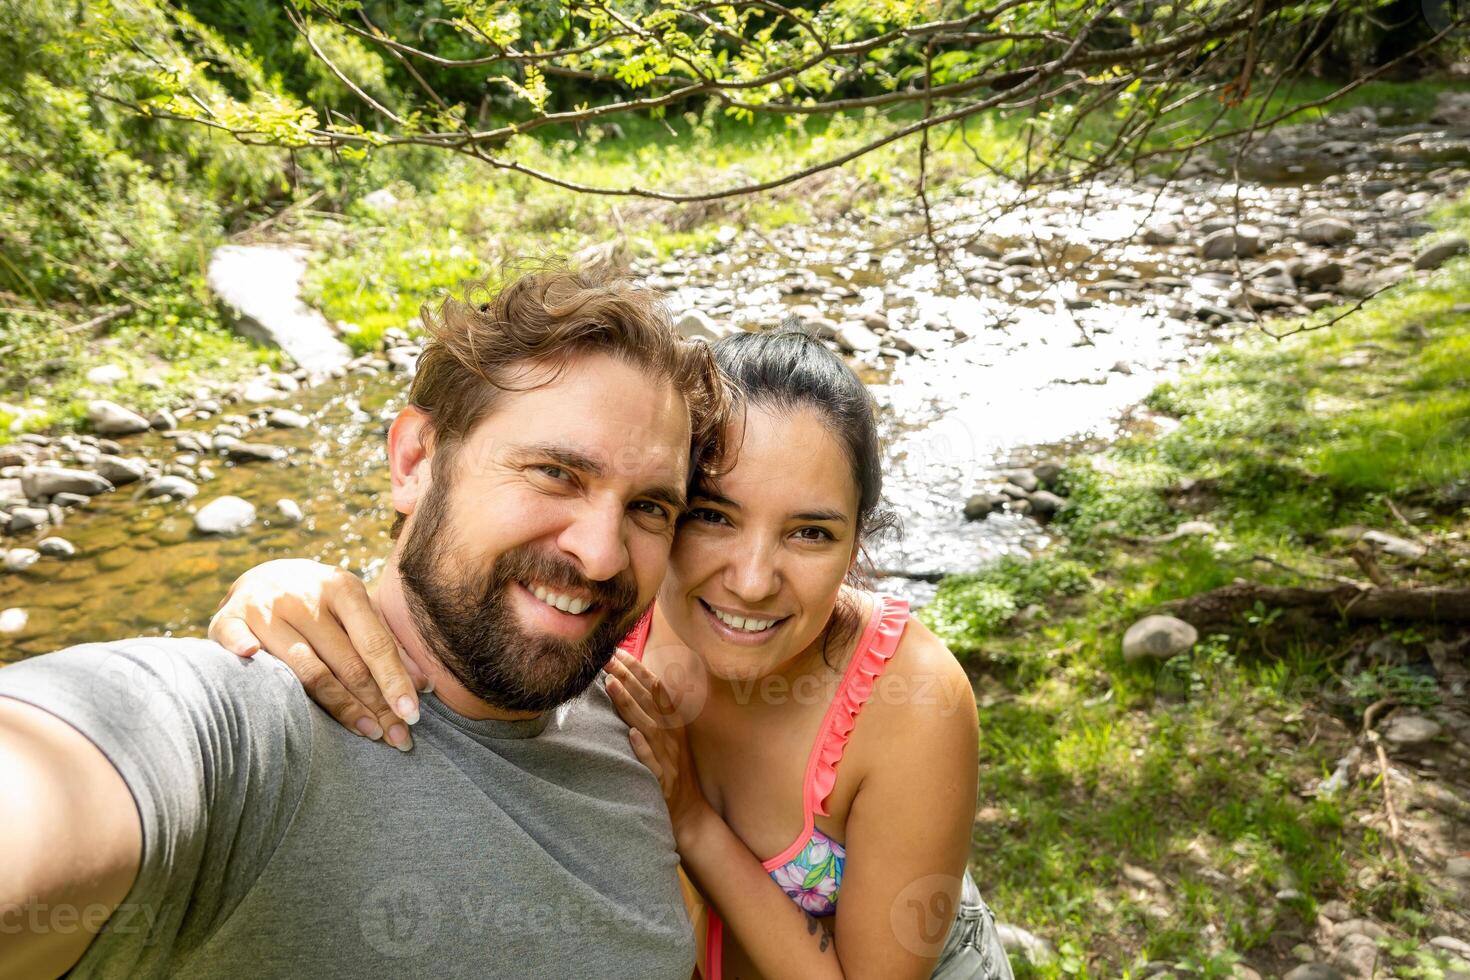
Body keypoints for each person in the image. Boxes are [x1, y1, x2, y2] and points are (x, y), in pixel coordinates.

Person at [210, 329, 1016, 979]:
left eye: (810, 532)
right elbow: (448, 602)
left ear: (857, 546)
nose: (753, 579)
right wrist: (283, 584)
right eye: (712, 516)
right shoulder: (606, 606)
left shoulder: (909, 703)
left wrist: (693, 820)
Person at [0, 268, 729, 978]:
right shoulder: (256, 731)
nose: (601, 557)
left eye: (648, 508)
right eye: (555, 473)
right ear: (414, 460)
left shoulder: (634, 729)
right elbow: (65, 765)